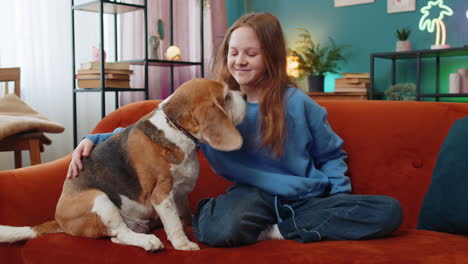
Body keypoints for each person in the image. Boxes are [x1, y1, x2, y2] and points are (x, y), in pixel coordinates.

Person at [67, 12, 402, 247]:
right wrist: (92, 140)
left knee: (388, 211)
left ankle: (278, 231)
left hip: (307, 198)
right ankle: (240, 220)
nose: (240, 60)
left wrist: (339, 199)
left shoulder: (300, 104)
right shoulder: (209, 104)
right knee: (217, 229)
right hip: (250, 198)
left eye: (251, 53)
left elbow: (331, 154)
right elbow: (154, 127)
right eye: (234, 52)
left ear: (270, 58)